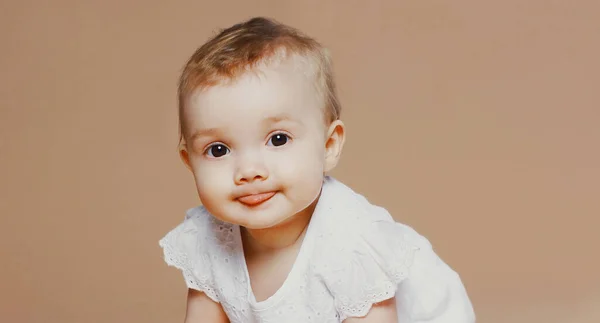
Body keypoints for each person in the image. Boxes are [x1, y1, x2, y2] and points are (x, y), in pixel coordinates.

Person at [159, 16, 476, 323]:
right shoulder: (207, 238)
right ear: (190, 163)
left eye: (278, 139)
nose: (249, 170)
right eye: (219, 150)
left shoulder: (355, 246)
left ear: (328, 146)